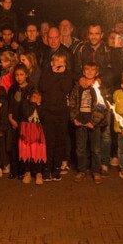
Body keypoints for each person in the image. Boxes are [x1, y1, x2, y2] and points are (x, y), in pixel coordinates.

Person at [70, 62, 111, 183]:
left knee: (96, 149)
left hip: (94, 123)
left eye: (92, 70)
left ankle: (96, 171)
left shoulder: (99, 88)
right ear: (83, 72)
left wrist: (94, 121)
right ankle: (81, 170)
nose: (89, 72)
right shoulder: (78, 87)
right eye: (87, 70)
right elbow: (72, 103)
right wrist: (74, 118)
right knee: (80, 148)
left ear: (97, 73)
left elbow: (102, 107)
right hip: (80, 121)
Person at [38, 53, 74, 182]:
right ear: (51, 63)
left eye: (61, 61)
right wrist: (54, 74)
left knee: (60, 141)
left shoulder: (68, 74)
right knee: (48, 141)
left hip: (61, 112)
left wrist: (61, 74)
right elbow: (43, 87)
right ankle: (47, 168)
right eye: (56, 61)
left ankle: (57, 168)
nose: (58, 63)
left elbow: (66, 89)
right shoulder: (46, 72)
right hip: (48, 111)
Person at [17, 87, 47, 184]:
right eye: (34, 97)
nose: (36, 99)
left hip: (37, 132)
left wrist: (38, 105)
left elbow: (42, 116)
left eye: (38, 97)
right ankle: (27, 172)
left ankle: (38, 173)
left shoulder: (41, 106)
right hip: (26, 131)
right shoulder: (25, 104)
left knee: (37, 152)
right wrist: (34, 104)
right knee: (26, 152)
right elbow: (27, 114)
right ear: (29, 97)